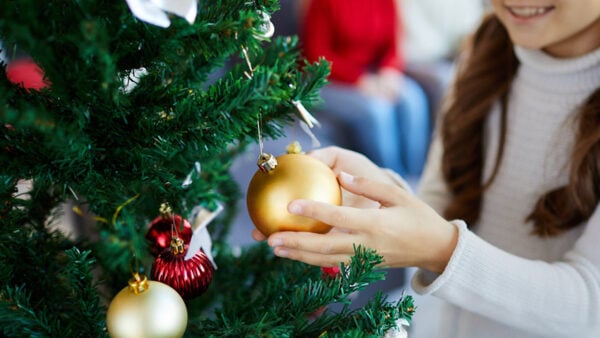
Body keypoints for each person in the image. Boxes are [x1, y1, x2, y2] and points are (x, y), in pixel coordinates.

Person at [253, 1, 600, 337]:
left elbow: (591, 304)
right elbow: (442, 207)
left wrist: (439, 250)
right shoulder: (486, 48)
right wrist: (378, 198)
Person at [300, 0, 431, 177]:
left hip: (374, 74)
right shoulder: (323, 3)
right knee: (377, 110)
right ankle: (391, 179)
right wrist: (360, 80)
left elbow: (393, 45)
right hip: (332, 80)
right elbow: (317, 55)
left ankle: (416, 177)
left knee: (413, 98)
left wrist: (389, 71)